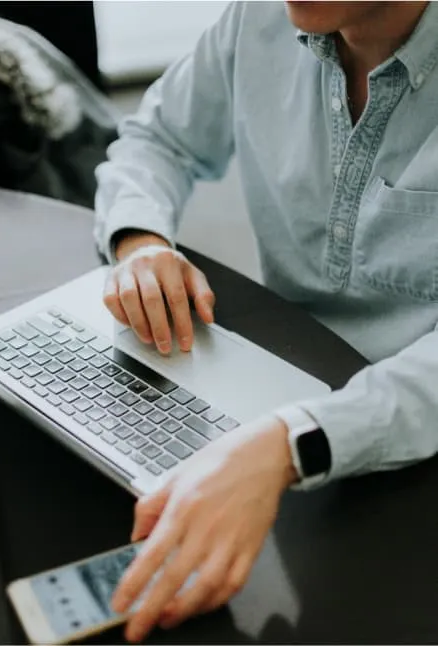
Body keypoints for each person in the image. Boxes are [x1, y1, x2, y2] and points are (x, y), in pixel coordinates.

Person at [93, 1, 438, 641]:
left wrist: (288, 444)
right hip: (281, 393)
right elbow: (157, 138)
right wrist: (141, 242)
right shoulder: (258, 19)